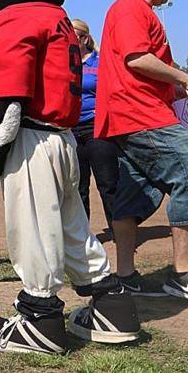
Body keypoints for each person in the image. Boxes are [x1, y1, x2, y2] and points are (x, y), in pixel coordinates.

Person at [95, 0, 188, 304]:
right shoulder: (131, 8)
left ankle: (125, 276)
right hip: (142, 115)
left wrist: (177, 87)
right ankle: (183, 274)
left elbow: (138, 65)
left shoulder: (134, 11)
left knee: (133, 195)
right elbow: (136, 58)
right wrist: (185, 76)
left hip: (131, 115)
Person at [70, 19, 120, 228]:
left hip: (96, 127)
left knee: (108, 183)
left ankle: (120, 231)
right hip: (71, 130)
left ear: (84, 38)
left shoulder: (100, 62)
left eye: (72, 37)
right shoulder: (63, 64)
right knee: (78, 187)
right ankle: (82, 236)